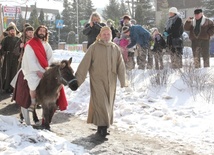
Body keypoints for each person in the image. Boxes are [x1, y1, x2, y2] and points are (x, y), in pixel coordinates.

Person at [75, 26, 127, 137]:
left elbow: (121, 65)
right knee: (101, 102)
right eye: (104, 34)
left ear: (111, 35)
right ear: (100, 35)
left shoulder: (115, 48)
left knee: (108, 103)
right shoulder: (94, 47)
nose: (106, 36)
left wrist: (123, 80)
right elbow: (85, 63)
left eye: (108, 34)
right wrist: (77, 80)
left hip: (111, 80)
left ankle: (103, 126)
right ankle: (102, 128)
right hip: (97, 79)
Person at [21, 25, 54, 112]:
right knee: (33, 83)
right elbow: (30, 59)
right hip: (32, 69)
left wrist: (48, 69)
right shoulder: (30, 44)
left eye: (44, 31)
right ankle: (33, 102)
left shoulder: (46, 44)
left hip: (45, 68)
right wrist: (37, 71)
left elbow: (50, 57)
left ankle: (50, 101)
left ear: (46, 33)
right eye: (40, 30)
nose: (42, 32)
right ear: (37, 32)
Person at [0, 25, 21, 93]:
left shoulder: (18, 39)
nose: (12, 32)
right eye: (11, 30)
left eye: (13, 30)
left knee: (14, 72)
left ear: (15, 31)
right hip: (7, 57)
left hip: (16, 58)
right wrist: (4, 52)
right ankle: (6, 87)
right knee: (7, 72)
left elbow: (20, 49)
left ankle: (13, 87)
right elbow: (2, 48)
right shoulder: (5, 39)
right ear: (9, 31)